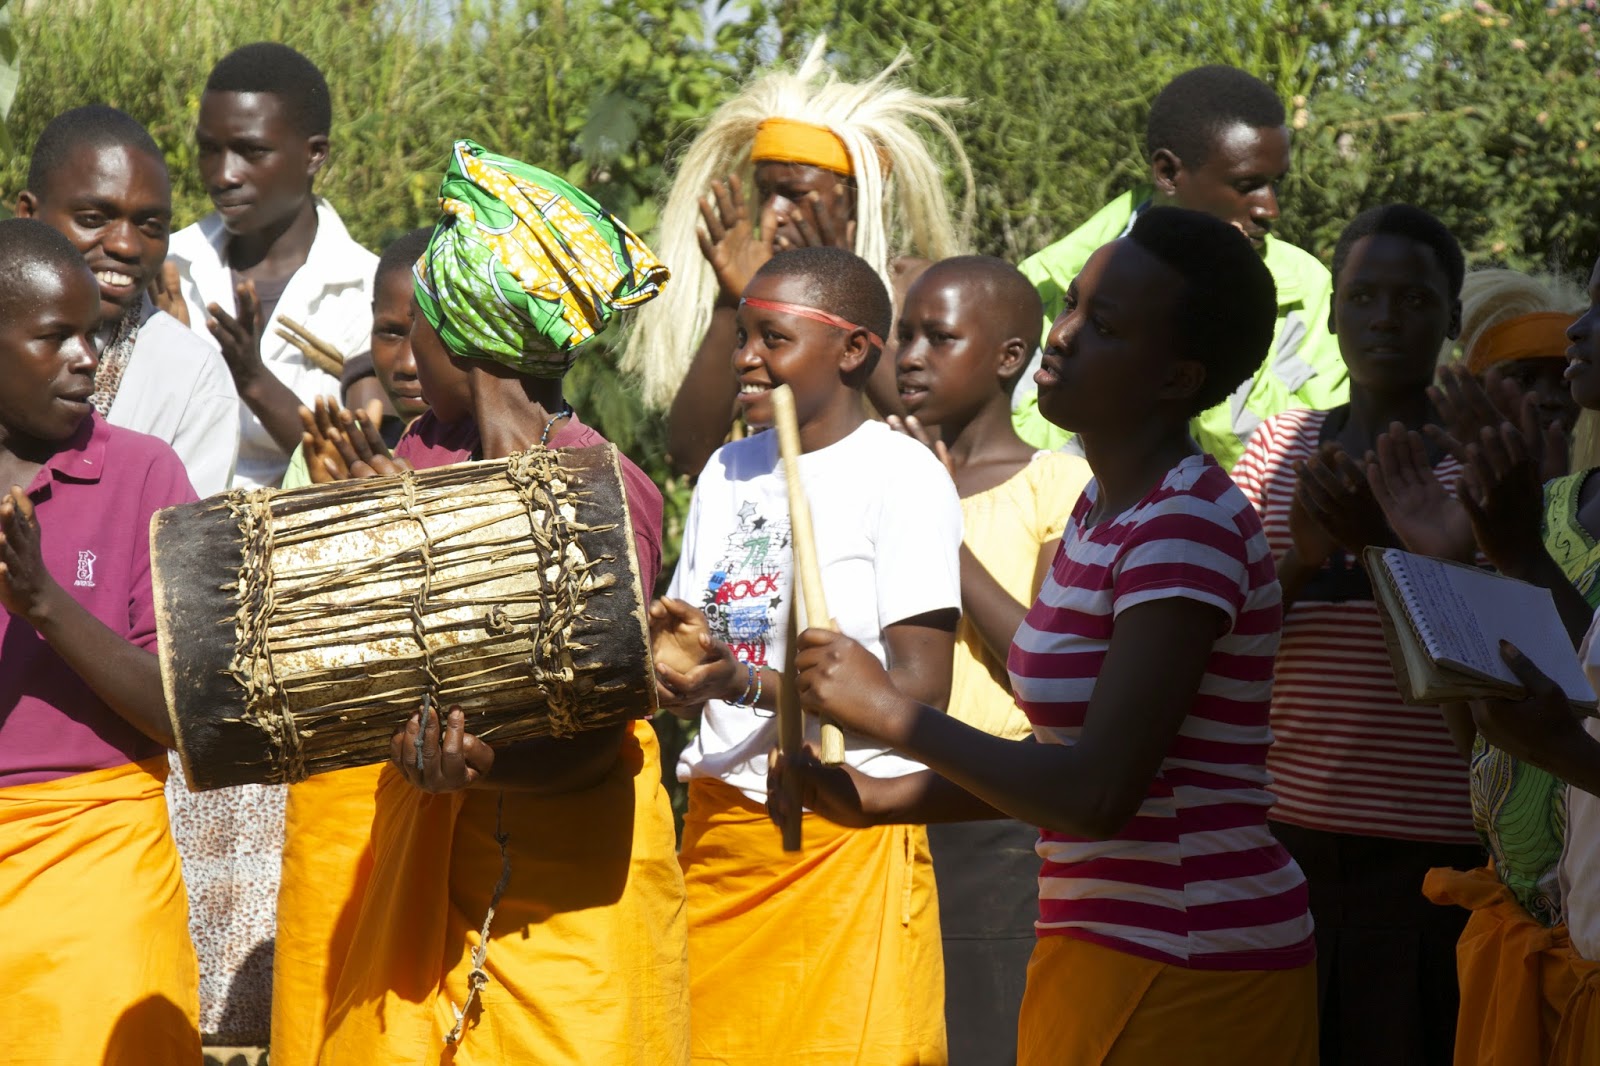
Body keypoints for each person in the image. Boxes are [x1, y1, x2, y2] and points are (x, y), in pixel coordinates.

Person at [770, 207, 1316, 1065]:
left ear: (1177, 378)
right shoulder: (1104, 510)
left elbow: (1099, 793)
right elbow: (1060, 761)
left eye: (1101, 326)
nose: (1058, 339)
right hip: (1106, 945)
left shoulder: (1184, 525)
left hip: (1192, 957)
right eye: (1073, 307)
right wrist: (881, 803)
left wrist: (891, 713)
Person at [315, 140, 688, 1064]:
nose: (406, 355)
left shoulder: (600, 490)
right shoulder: (426, 459)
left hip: (565, 905)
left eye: (419, 327)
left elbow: (598, 732)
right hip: (430, 874)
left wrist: (479, 767)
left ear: (462, 335)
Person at [651, 245, 962, 1063]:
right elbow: (703, 638)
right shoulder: (726, 470)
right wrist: (679, 667)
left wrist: (751, 682)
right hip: (722, 839)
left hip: (840, 831)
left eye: (773, 338)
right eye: (742, 336)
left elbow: (921, 698)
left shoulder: (903, 477)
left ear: (855, 350)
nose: (746, 358)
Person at [1229, 203, 1482, 1064]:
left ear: (1452, 316)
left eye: (1413, 300)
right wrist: (1301, 562)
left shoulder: (1477, 466)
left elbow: (1486, 663)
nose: (1384, 318)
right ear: (1333, 309)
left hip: (1433, 852)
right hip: (1280, 835)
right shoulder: (1277, 447)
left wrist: (1381, 550)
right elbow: (1223, 632)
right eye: (1363, 296)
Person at [0, 218, 201, 1063]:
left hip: (104, 875)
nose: (89, 356)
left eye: (97, 333)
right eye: (56, 336)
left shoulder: (145, 474)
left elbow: (178, 710)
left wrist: (44, 603)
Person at [269, 225, 470, 1066]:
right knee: (324, 1006)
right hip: (341, 784)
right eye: (391, 331)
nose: (410, 352)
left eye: (427, 326)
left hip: (441, 781)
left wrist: (406, 513)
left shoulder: (492, 457)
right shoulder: (340, 453)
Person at [885, 255, 1089, 1064]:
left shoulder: (1059, 484)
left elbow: (1039, 660)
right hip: (878, 813)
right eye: (905, 335)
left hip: (996, 822)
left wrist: (942, 527)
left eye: (939, 338)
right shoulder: (880, 477)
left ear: (1010, 358)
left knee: (988, 1038)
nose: (910, 356)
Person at [622, 36, 973, 477]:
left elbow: (934, 434)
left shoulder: (917, 287)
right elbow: (692, 455)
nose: (772, 215)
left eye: (794, 194)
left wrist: (842, 291)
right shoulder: (758, 298)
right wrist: (735, 301)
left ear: (854, 198)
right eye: (765, 193)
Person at [1016, 65, 1345, 467]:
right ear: (1168, 173)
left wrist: (1222, 325)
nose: (1269, 209)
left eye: (1276, 183)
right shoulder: (1041, 285)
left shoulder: (1309, 289)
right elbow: (1027, 455)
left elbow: (1310, 462)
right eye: (1246, 185)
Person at [163, 42, 378, 490]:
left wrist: (252, 379)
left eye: (251, 151)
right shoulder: (168, 269)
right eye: (209, 150)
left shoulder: (370, 292)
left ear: (314, 154)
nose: (224, 175)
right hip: (171, 530)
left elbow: (358, 471)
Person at [16, 104, 239, 497]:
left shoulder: (191, 378)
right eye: (93, 218)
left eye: (151, 226)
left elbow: (185, 546)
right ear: (29, 214)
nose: (125, 244)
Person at [280, 226, 434, 488]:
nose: (408, 365)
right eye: (390, 333)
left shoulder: (490, 449)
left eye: (431, 336)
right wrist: (331, 495)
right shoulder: (330, 451)